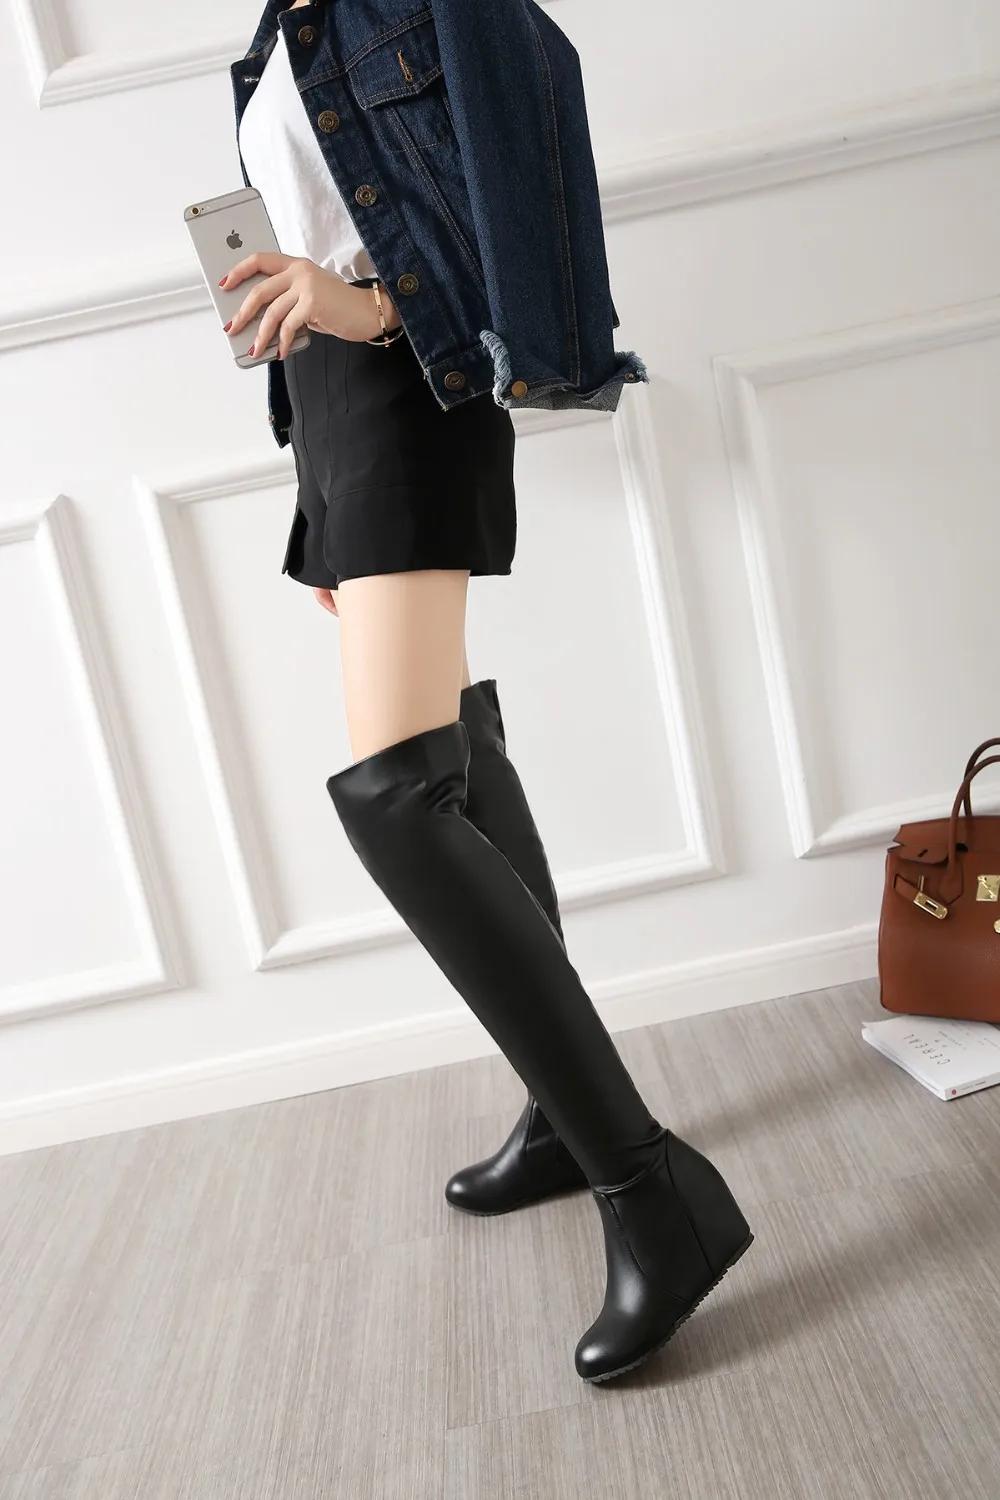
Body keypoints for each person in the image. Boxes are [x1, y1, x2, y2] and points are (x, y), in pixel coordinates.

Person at [223, 0, 753, 1382]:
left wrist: (375, 307)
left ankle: (654, 1189)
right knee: (447, 753)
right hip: (338, 414)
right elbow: (317, 248)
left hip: (407, 396)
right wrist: (316, 495)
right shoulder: (274, 31)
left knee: (400, 800)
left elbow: (523, 176)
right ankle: (562, 1124)